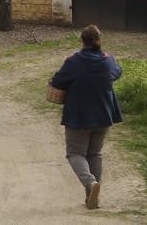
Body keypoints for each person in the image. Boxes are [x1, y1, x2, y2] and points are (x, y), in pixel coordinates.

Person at [49, 24, 123, 210]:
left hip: (79, 115)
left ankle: (90, 184)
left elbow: (58, 81)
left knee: (75, 153)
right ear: (99, 41)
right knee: (95, 154)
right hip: (104, 114)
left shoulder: (74, 61)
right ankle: (91, 197)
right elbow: (117, 72)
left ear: (82, 41)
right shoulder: (108, 60)